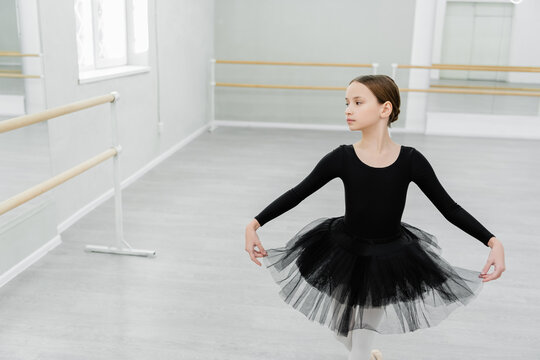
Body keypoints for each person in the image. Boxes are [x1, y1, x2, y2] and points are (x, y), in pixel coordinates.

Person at [244, 74, 506, 360]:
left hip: (386, 261)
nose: (348, 110)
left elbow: (450, 208)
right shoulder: (342, 157)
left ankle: (364, 355)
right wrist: (255, 223)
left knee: (357, 351)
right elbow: (298, 192)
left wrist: (492, 242)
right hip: (344, 251)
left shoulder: (410, 161)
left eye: (358, 102)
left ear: (385, 109)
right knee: (340, 331)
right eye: (347, 103)